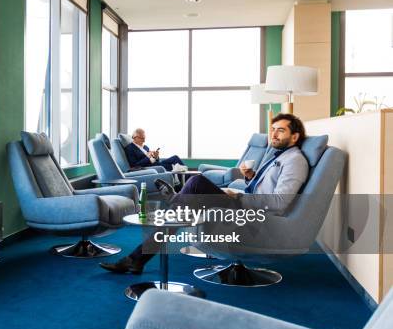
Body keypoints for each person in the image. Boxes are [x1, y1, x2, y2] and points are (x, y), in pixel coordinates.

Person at [100, 113, 310, 274]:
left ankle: (139, 256)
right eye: (273, 129)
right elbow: (265, 188)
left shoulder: (295, 161)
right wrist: (250, 177)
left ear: (295, 136)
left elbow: (280, 203)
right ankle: (137, 258)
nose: (273, 134)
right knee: (187, 200)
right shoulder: (280, 156)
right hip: (247, 204)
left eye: (280, 130)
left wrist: (238, 196)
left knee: (195, 184)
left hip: (255, 214)